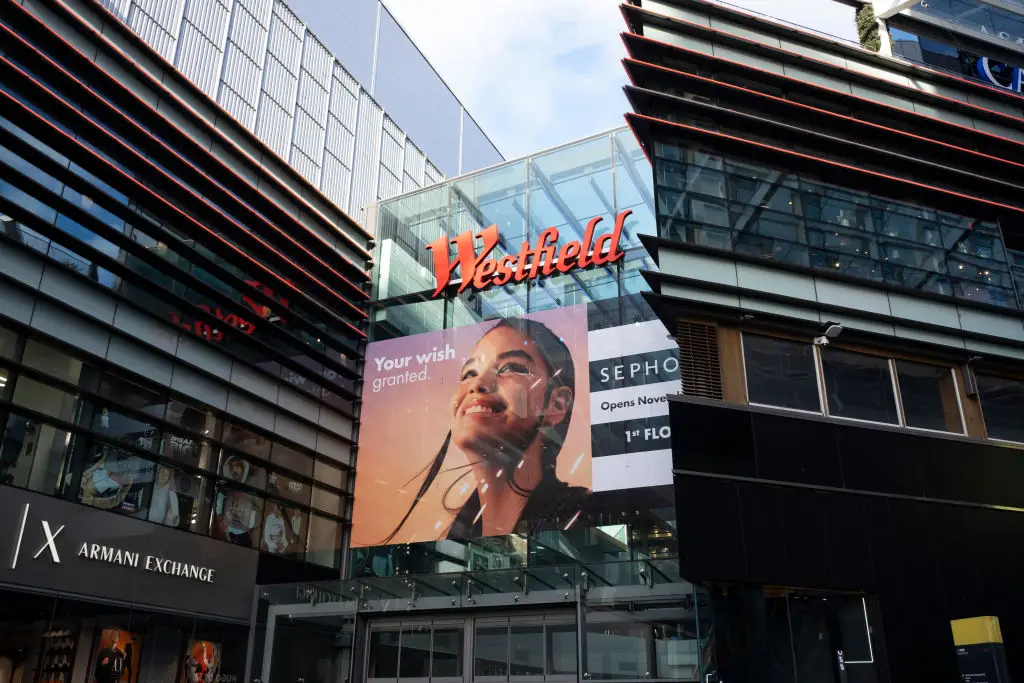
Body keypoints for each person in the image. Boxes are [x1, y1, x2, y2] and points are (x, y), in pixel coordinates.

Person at [380, 317, 588, 544]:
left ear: (557, 404)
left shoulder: (585, 514)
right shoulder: (457, 538)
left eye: (511, 367)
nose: (478, 383)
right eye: (469, 373)